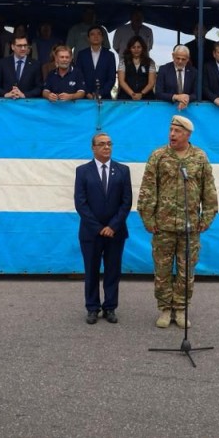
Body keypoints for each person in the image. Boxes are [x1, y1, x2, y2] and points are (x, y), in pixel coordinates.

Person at [137, 115, 218, 329]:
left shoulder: (199, 158)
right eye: (171, 130)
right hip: (162, 225)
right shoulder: (158, 156)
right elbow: (147, 188)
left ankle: (181, 309)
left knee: (186, 270)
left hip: (190, 226)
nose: (172, 134)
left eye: (177, 131)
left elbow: (208, 190)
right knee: (162, 269)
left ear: (188, 134)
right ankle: (164, 308)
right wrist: (147, 217)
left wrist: (207, 216)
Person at [74, 132, 133, 324]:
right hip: (91, 233)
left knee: (112, 271)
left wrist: (112, 226)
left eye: (109, 144)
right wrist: (99, 227)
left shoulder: (122, 170)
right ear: (93, 148)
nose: (106, 147)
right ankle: (92, 308)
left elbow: (126, 202)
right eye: (102, 144)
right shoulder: (82, 171)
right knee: (91, 271)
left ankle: (110, 307)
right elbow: (80, 203)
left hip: (115, 232)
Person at [0, 35, 42, 99]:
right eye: (19, 46)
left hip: (27, 105)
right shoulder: (3, 63)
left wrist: (24, 95)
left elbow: (39, 88)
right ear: (12, 47)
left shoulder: (35, 64)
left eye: (25, 45)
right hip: (7, 105)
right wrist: (6, 94)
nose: (23, 48)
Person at [74, 25, 116, 100]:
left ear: (103, 38)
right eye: (92, 34)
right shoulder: (81, 54)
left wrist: (101, 93)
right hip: (85, 97)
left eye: (99, 34)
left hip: (104, 97)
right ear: (88, 38)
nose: (96, 36)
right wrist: (87, 93)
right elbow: (78, 76)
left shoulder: (110, 55)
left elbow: (111, 78)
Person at [154, 45, 197, 111]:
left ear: (188, 59)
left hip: (187, 109)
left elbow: (197, 93)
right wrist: (175, 97)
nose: (180, 61)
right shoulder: (164, 69)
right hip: (166, 109)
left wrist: (187, 99)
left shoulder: (193, 71)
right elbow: (158, 93)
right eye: (178, 58)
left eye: (183, 59)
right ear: (173, 56)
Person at [116, 35, 156, 100]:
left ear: (143, 48)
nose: (136, 50)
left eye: (139, 47)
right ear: (129, 49)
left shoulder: (150, 62)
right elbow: (121, 82)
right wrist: (132, 94)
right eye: (133, 47)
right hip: (126, 97)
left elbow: (151, 83)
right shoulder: (123, 62)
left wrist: (141, 94)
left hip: (146, 98)